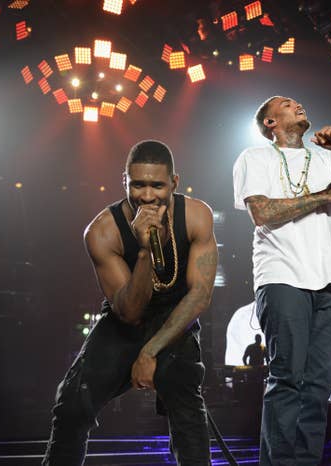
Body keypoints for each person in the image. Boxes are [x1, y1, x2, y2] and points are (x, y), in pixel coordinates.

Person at [42, 140, 218, 466]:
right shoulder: (102, 231)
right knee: (72, 404)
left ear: (174, 182)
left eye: (157, 186)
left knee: (188, 410)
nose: (147, 196)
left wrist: (150, 353)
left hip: (176, 318)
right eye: (138, 185)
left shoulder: (197, 216)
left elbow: (199, 296)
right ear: (124, 181)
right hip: (124, 322)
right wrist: (145, 250)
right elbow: (130, 312)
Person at [232, 95, 331, 465]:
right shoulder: (255, 157)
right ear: (270, 122)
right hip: (282, 276)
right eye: (285, 104)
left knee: (320, 384)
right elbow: (262, 212)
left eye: (296, 101)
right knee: (287, 378)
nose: (297, 104)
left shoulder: (327, 158)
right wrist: (325, 196)